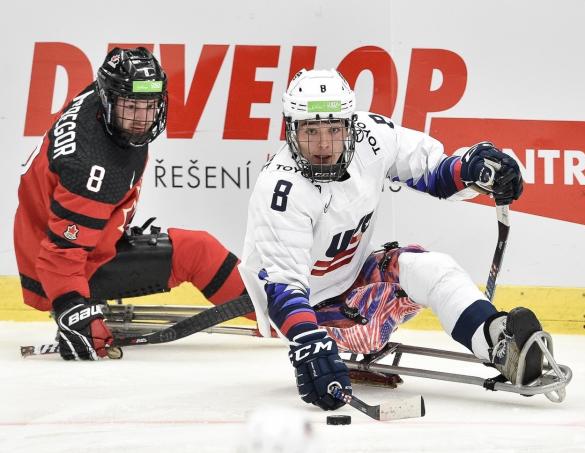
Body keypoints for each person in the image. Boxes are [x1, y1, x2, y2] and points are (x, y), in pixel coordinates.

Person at [239, 68, 544, 411]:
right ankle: (341, 335)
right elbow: (283, 289)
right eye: (311, 131)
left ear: (350, 126)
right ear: (292, 131)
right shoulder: (280, 190)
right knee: (370, 311)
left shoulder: (372, 136)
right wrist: (309, 343)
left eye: (334, 130)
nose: (324, 145)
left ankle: (496, 341)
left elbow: (434, 171)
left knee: (434, 268)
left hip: (354, 276)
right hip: (312, 313)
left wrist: (478, 170)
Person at [14, 47, 246, 361]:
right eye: (131, 107)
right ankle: (285, 315)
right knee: (197, 251)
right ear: (110, 100)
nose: (140, 119)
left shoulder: (103, 99)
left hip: (56, 237)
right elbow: (59, 257)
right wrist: (72, 310)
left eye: (149, 106)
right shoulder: (94, 169)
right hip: (63, 270)